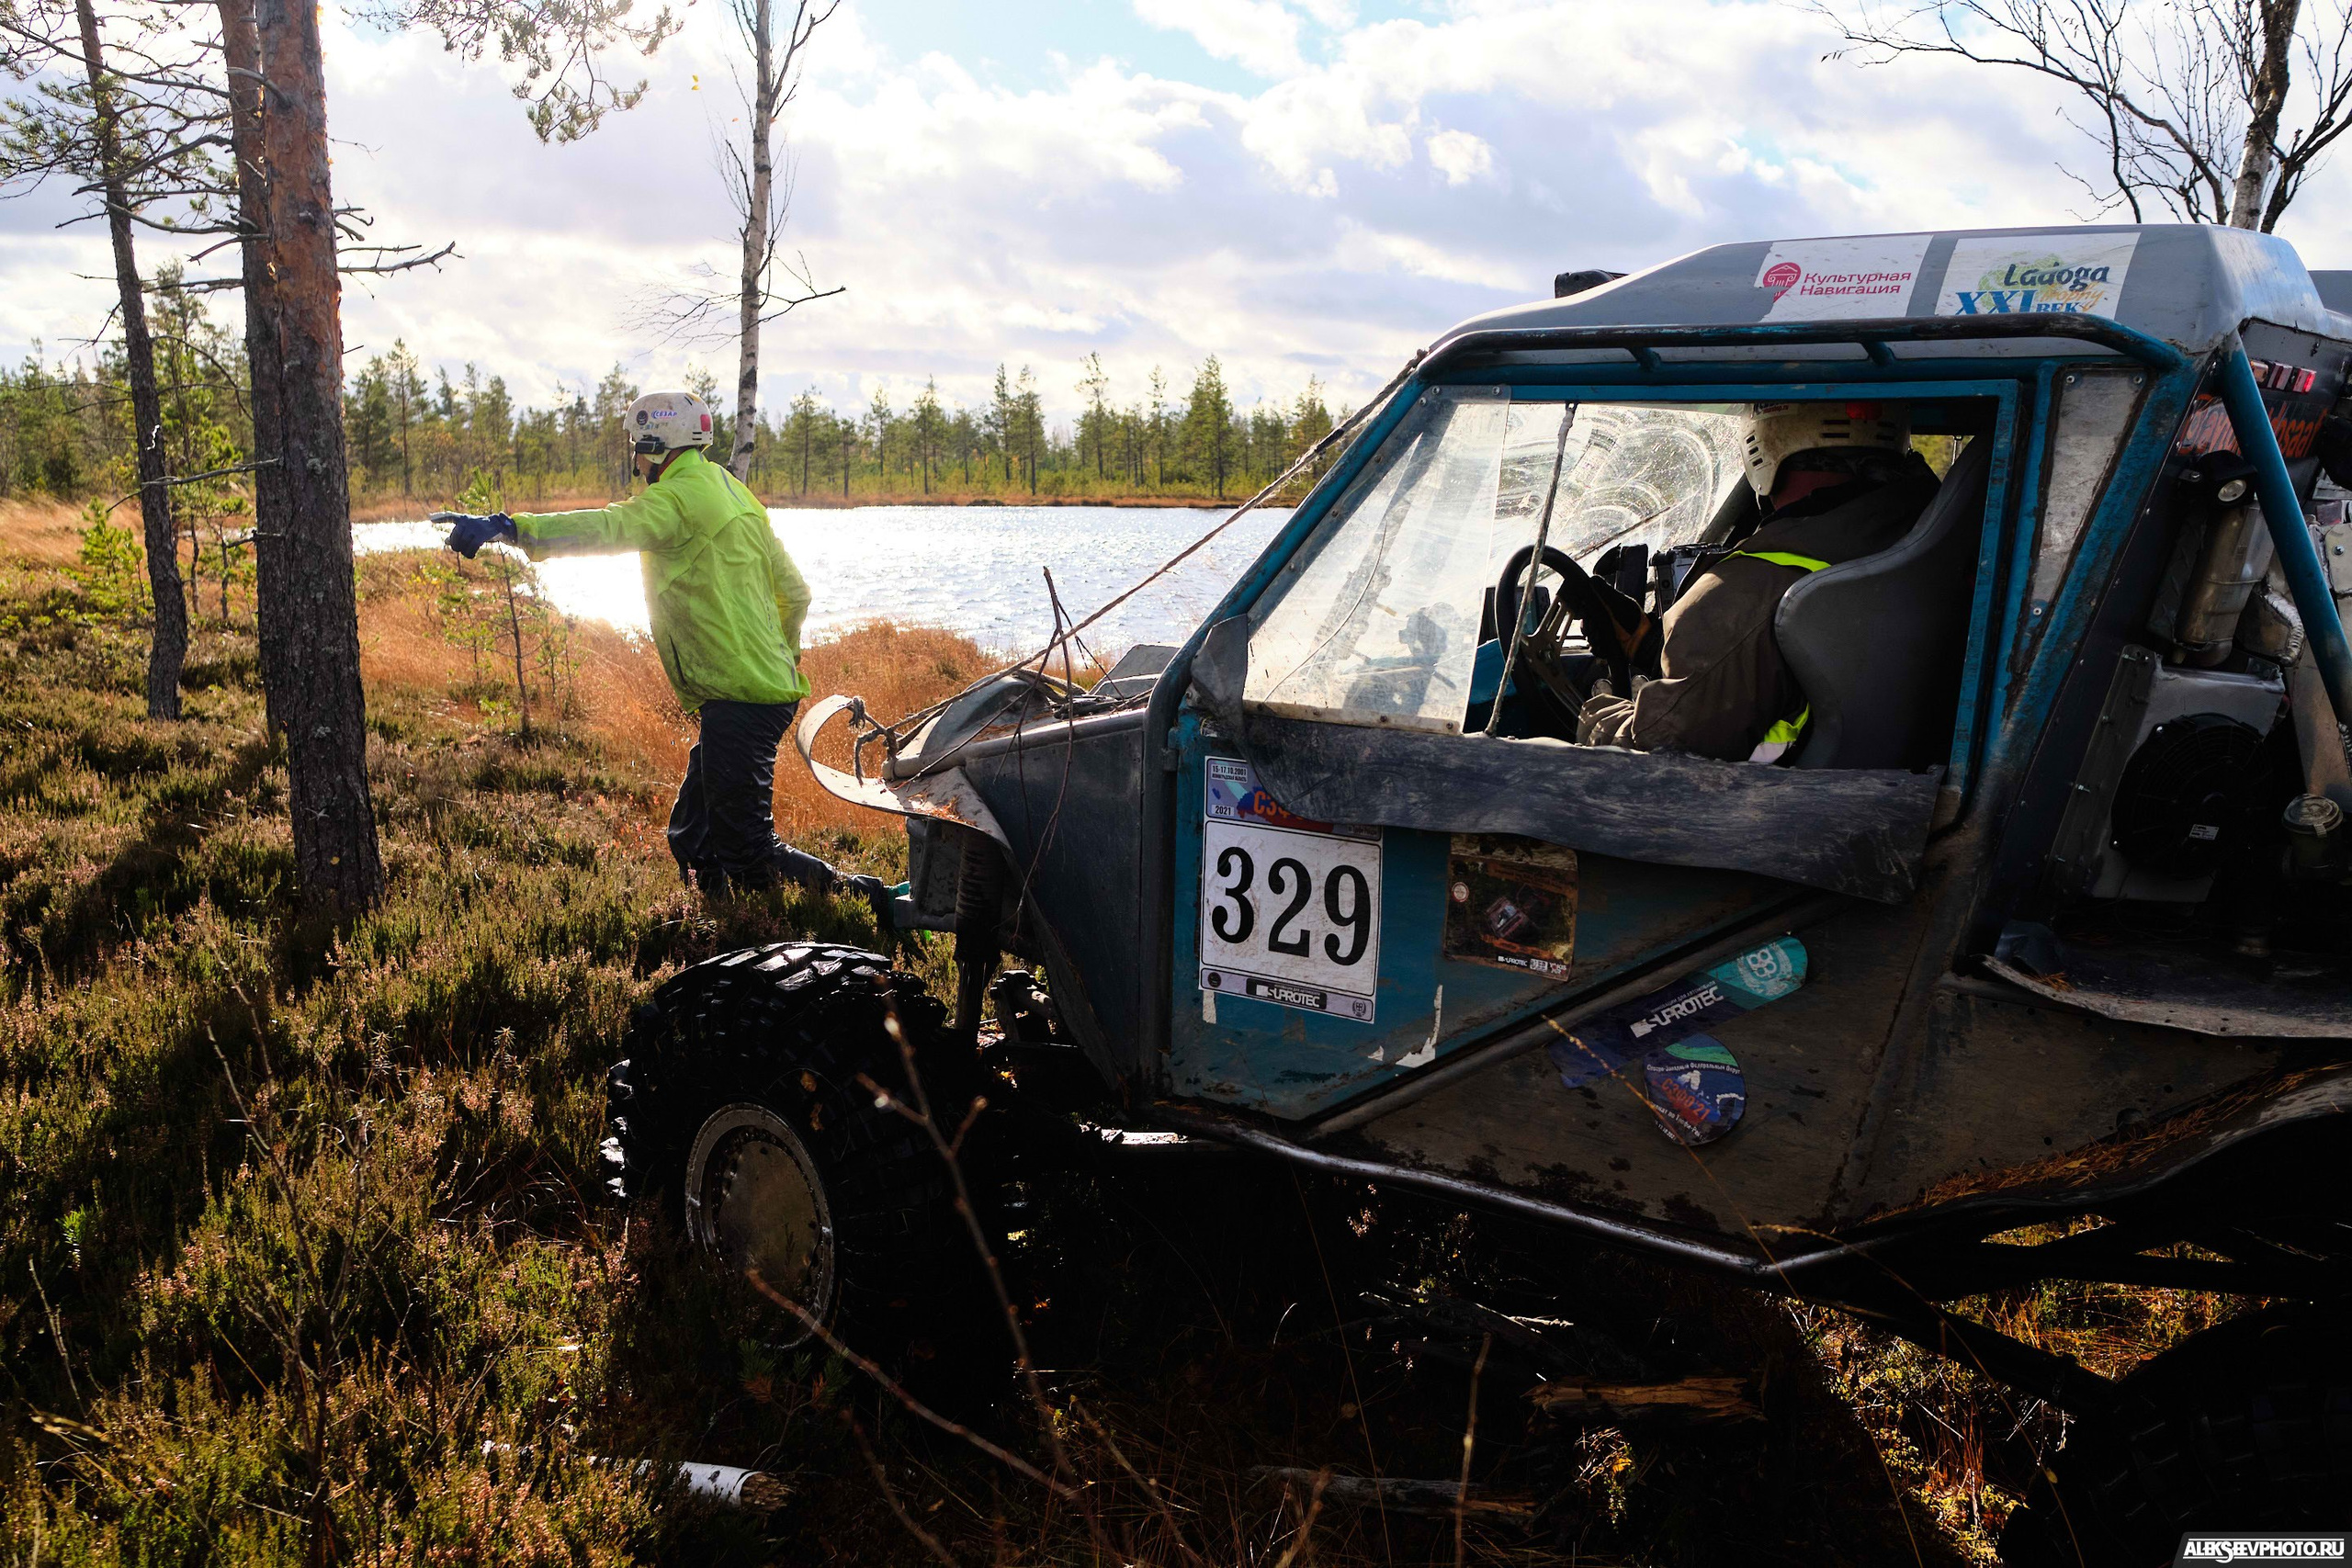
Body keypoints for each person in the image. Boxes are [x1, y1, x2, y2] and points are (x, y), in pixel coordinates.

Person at [438, 389, 885, 911]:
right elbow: (797, 593)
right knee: (693, 835)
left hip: (743, 699)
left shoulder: (675, 501)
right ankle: (722, 924)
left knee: (747, 853)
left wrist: (510, 527)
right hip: (756, 695)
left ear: (657, 446)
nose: (635, 460)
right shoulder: (733, 491)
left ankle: (862, 903)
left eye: (637, 448)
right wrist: (781, 661)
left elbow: (608, 526)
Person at [1577, 401, 1939, 762]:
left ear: (1763, 445)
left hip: (1783, 808)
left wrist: (1603, 720)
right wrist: (1646, 641)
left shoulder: (1751, 586)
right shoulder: (1927, 538)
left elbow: (1665, 749)